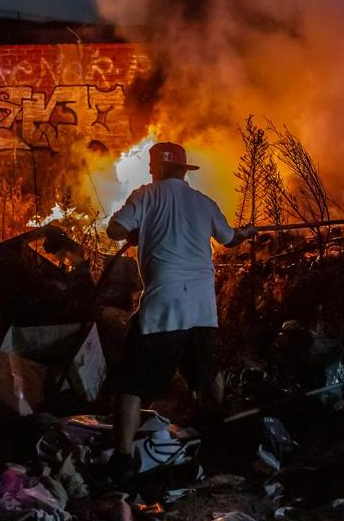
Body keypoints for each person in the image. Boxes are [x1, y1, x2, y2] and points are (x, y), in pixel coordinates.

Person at [104, 141, 254, 485]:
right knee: (206, 373)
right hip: (202, 305)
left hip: (163, 305)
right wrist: (247, 232)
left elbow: (114, 231)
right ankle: (215, 442)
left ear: (155, 169)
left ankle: (123, 459)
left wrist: (140, 232)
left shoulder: (146, 195)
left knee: (130, 385)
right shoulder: (204, 202)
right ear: (184, 171)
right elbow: (230, 238)